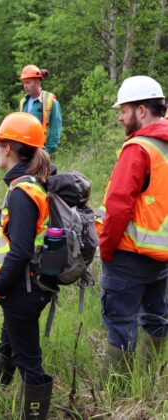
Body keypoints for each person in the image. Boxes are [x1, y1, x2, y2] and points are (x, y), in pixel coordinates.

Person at [0, 112, 54, 419]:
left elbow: (21, 250)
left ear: (8, 148)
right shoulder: (30, 184)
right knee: (8, 343)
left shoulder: (22, 193)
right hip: (28, 286)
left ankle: (34, 414)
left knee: (30, 362)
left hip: (22, 289)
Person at [95, 75, 167, 382]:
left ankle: (115, 395)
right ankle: (151, 382)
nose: (120, 116)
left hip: (128, 256)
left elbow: (118, 204)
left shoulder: (138, 148)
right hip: (162, 257)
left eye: (123, 110)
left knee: (120, 324)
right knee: (157, 319)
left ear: (141, 110)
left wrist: (106, 248)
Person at [18, 64, 62, 156]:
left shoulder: (51, 102)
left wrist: (45, 153)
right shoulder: (23, 102)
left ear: (38, 82)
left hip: (41, 152)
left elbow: (55, 131)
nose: (25, 86)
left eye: (28, 82)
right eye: (24, 83)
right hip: (23, 153)